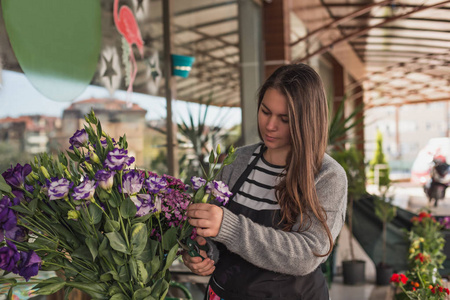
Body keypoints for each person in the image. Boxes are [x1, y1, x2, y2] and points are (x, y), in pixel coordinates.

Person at [182, 63, 348, 300]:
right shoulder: (238, 160)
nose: (270, 125)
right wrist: (200, 253)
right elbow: (214, 239)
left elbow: (307, 255)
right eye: (265, 111)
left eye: (285, 118)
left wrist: (228, 227)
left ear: (307, 120)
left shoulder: (327, 175)